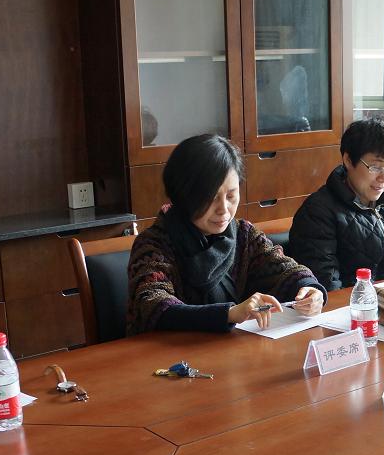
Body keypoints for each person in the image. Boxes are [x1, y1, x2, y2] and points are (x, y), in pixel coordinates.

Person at [127, 134, 325, 334]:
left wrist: (309, 289)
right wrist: (228, 314)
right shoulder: (153, 245)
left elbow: (284, 268)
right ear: (183, 196)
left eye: (231, 196)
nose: (224, 209)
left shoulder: (244, 235)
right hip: (167, 351)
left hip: (230, 347)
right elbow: (155, 307)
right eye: (211, 198)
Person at [289, 116, 384, 290]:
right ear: (348, 160)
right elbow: (327, 287)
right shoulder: (317, 212)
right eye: (375, 167)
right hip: (354, 303)